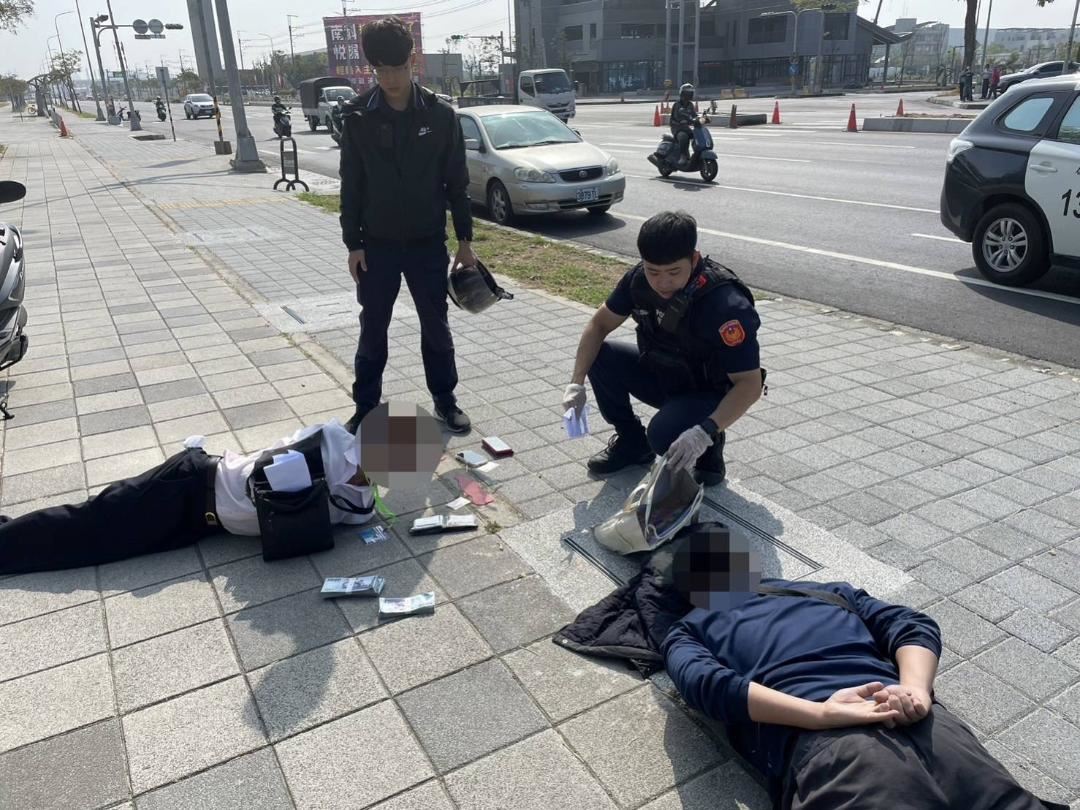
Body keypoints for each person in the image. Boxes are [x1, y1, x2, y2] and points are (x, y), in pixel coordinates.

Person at [662, 524, 1069, 810]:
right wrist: (915, 690)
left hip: (837, 755)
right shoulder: (825, 592)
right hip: (931, 729)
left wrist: (820, 714)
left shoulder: (689, 629)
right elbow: (911, 624)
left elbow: (706, 684)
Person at [0, 420, 373, 575]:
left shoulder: (362, 505)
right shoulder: (328, 439)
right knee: (92, 520)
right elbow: (262, 472)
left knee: (105, 546)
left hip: (201, 526)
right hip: (191, 482)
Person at [339, 16, 475, 436]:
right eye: (381, 70)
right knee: (373, 327)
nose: (391, 79)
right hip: (376, 246)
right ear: (371, 68)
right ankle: (365, 406)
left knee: (436, 325)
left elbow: (457, 183)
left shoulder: (441, 115)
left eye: (398, 68)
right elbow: (351, 184)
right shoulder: (358, 116)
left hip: (427, 243)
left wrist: (465, 241)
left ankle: (445, 400)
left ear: (412, 60)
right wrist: (353, 244)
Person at [562, 211, 764, 485]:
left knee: (661, 436)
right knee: (602, 355)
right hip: (665, 373)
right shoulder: (638, 281)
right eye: (653, 271)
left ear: (694, 259)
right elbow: (598, 325)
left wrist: (703, 432)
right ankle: (632, 442)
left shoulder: (725, 305)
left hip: (707, 392)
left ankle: (711, 439)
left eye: (673, 272)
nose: (662, 282)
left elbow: (749, 385)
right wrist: (576, 383)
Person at [670, 83, 698, 168]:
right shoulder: (677, 104)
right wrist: (681, 121)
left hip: (686, 127)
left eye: (690, 93)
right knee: (683, 137)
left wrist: (700, 119)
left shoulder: (690, 105)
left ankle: (697, 154)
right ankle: (683, 156)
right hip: (677, 127)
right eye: (687, 93)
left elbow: (694, 115)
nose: (689, 95)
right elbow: (675, 117)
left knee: (697, 135)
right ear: (682, 94)